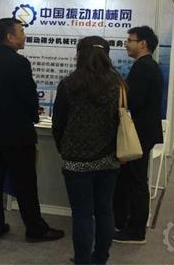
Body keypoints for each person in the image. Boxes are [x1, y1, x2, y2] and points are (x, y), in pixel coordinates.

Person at [0, 17, 64, 243]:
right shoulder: (19, 63)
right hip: (16, 134)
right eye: (21, 32)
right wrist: (34, 115)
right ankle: (35, 229)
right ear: (10, 36)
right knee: (25, 182)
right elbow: (28, 97)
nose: (24, 37)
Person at [52, 36, 122, 265]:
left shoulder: (68, 84)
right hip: (108, 159)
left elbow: (58, 124)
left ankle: (82, 260)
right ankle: (100, 258)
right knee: (105, 211)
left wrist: (64, 148)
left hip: (75, 161)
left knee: (82, 214)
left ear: (79, 55)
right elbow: (120, 121)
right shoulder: (118, 85)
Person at [113, 26, 163, 245]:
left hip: (140, 133)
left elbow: (133, 100)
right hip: (144, 130)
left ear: (143, 44)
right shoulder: (148, 66)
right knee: (131, 178)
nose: (127, 44)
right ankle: (126, 222)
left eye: (130, 40)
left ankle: (136, 230)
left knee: (136, 180)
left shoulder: (143, 67)